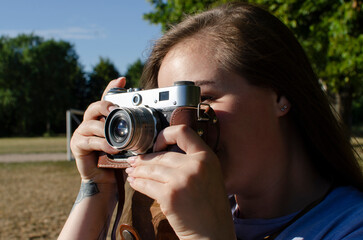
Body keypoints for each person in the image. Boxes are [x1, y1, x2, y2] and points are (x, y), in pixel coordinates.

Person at [59, 2, 363, 239]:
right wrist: (97, 190)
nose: (184, 128)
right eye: (168, 112)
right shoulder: (169, 216)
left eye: (202, 100)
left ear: (280, 96)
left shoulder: (350, 226)